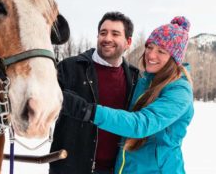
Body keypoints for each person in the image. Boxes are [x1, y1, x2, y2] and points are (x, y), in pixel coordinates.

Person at [63, 16, 194, 174]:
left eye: (161, 51)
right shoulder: (143, 81)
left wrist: (87, 110)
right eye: (150, 47)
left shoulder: (179, 91)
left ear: (174, 59)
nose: (151, 55)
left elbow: (140, 124)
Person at [49, 12, 140, 174]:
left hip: (115, 169)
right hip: (70, 168)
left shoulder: (134, 78)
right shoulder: (70, 68)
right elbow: (43, 99)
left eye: (115, 34)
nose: (107, 38)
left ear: (128, 42)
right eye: (103, 33)